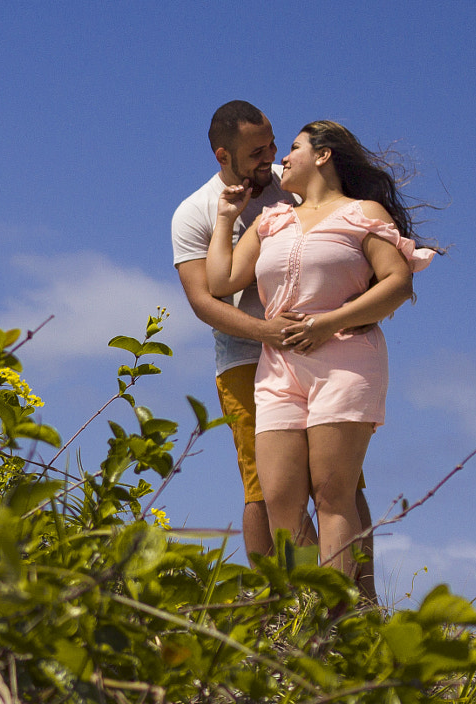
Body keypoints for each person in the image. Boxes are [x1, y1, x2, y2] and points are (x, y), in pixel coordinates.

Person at [205, 120, 431, 587]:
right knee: (281, 500)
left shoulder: (362, 213)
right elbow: (221, 282)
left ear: (324, 155)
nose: (282, 157)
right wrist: (227, 218)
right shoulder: (273, 220)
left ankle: (337, 620)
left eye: (293, 147)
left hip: (345, 359)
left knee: (332, 496)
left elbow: (397, 282)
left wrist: (329, 322)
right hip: (279, 367)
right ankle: (311, 609)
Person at [170, 101, 375, 596]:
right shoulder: (195, 212)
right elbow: (203, 297)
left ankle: (360, 603)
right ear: (224, 154)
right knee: (264, 488)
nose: (272, 156)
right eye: (257, 151)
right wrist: (265, 331)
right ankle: (286, 600)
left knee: (341, 487)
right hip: (244, 358)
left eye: (274, 143)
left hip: (320, 352)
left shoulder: (295, 187)